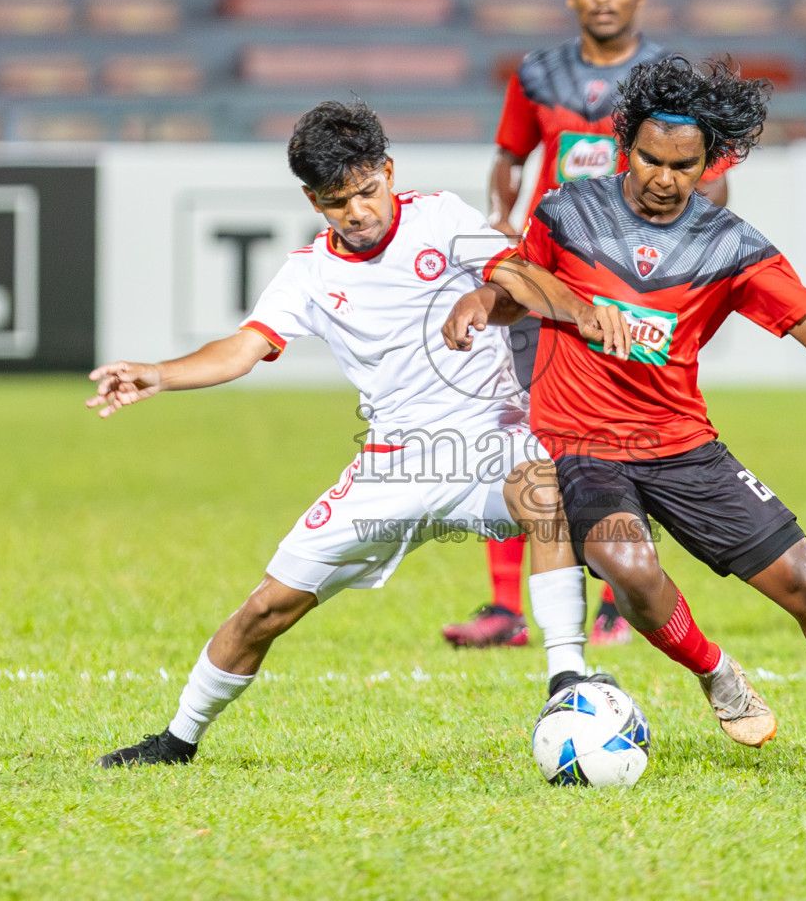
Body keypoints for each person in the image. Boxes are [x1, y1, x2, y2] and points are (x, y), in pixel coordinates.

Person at [445, 57, 806, 773]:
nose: (662, 178)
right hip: (584, 445)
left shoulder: (732, 246)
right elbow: (523, 292)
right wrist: (481, 301)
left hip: (683, 446)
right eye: (650, 158)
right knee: (628, 565)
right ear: (627, 144)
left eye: (682, 167)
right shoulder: (566, 212)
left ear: (709, 163)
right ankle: (714, 670)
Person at [88, 100, 631, 768]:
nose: (359, 213)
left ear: (389, 172)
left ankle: (567, 680)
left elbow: (515, 276)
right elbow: (242, 348)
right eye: (337, 201)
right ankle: (175, 742)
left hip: (489, 443)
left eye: (368, 191)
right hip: (392, 466)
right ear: (314, 201)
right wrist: (159, 375)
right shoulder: (310, 274)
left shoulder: (441, 219)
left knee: (544, 489)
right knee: (267, 610)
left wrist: (581, 311)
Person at [443, 0, 729, 651]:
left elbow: (715, 179)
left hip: (636, 284)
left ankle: (617, 597)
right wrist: (504, 218)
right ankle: (506, 607)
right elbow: (510, 156)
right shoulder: (537, 74)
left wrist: (683, 247)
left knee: (632, 431)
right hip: (548, 278)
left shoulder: (669, 79)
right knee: (522, 431)